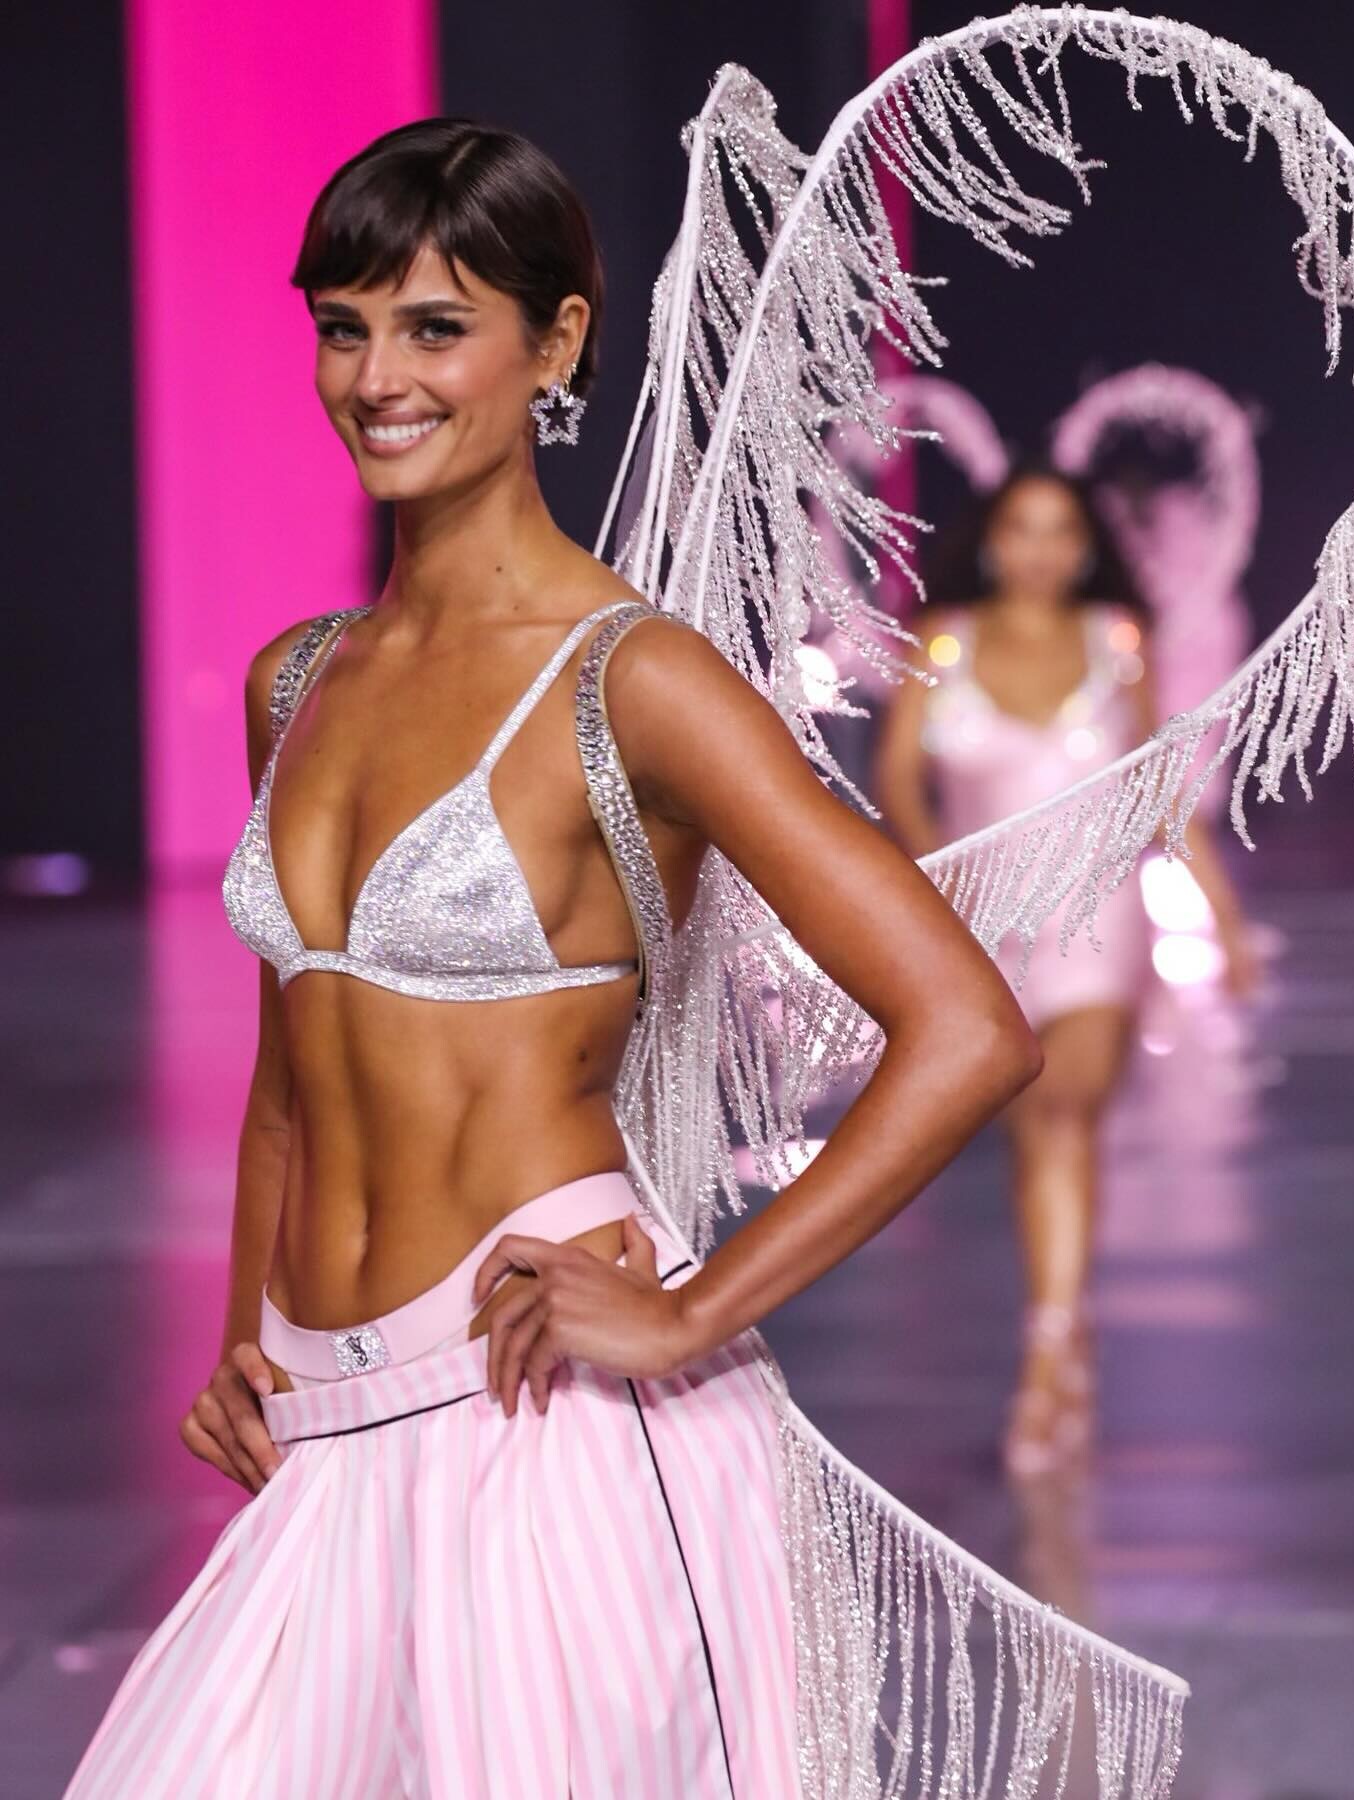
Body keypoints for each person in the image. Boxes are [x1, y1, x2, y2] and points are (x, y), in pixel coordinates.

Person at [63, 119, 1050, 1799]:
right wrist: (245, 1342)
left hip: (553, 1423)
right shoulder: (295, 682)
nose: (378, 379)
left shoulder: (635, 679)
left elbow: (967, 1026)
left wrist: (694, 1309)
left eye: (435, 327)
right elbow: (292, 1079)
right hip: (324, 1434)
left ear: (557, 340)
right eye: (345, 328)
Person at [875, 465, 1257, 1478]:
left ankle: (1046, 1360)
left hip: (1099, 920)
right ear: (993, 539)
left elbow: (1161, 789)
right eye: (1022, 527)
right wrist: (937, 883)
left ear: (1085, 547)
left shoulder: (1116, 642)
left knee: (1065, 1112)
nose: (1040, 550)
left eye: (1060, 531)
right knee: (1029, 1133)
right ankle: (1064, 1323)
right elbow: (899, 777)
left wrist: (1225, 920)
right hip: (985, 932)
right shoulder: (942, 641)